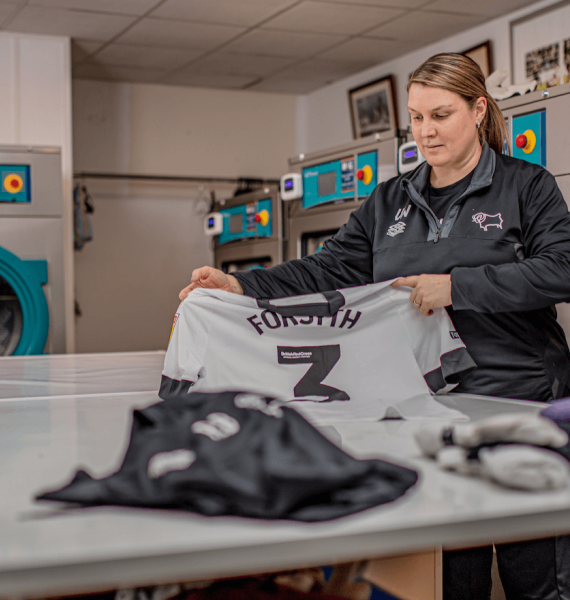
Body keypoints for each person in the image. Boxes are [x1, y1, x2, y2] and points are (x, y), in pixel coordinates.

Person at [178, 53, 570, 600]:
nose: (426, 132)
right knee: (451, 574)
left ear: (478, 110)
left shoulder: (527, 186)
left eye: (441, 115)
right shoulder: (391, 198)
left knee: (536, 578)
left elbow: (562, 269)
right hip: (431, 407)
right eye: (417, 117)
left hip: (516, 401)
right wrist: (242, 286)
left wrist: (455, 287)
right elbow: (327, 268)